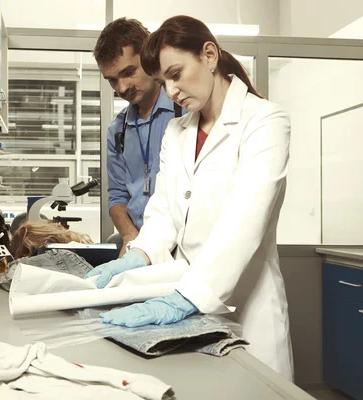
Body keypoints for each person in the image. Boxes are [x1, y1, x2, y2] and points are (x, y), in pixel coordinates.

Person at [85, 15, 294, 381]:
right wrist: (138, 254)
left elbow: (245, 220)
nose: (171, 92)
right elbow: (164, 212)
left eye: (176, 74)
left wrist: (187, 297)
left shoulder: (265, 121)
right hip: (188, 303)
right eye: (164, 81)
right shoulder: (177, 131)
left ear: (209, 55)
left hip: (247, 306)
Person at [94, 18, 180, 256]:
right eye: (112, 79)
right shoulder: (118, 130)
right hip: (138, 245)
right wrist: (130, 236)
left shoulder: (183, 113)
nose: (121, 88)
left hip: (180, 247)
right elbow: (117, 195)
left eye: (128, 72)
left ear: (149, 58)